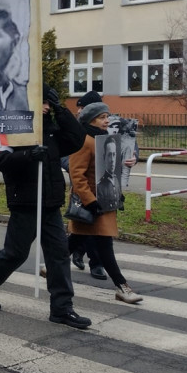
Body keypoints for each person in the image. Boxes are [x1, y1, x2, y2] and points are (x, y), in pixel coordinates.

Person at [0, 86, 93, 329]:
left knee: (58, 255)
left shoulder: (52, 131)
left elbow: (77, 138)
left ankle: (62, 308)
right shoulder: (14, 130)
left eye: (49, 103)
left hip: (50, 204)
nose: (46, 107)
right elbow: (0, 161)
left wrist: (61, 109)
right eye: (43, 103)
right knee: (15, 253)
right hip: (25, 202)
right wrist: (27, 156)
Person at [69, 102, 142, 304]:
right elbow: (77, 176)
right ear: (91, 119)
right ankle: (122, 287)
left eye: (107, 117)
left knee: (75, 240)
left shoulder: (104, 140)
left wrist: (117, 193)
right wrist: (90, 201)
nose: (107, 120)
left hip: (105, 200)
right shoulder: (83, 141)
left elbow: (110, 171)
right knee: (105, 245)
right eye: (102, 117)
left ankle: (51, 266)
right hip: (93, 203)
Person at [67, 90, 108, 278]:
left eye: (82, 108)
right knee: (90, 229)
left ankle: (67, 257)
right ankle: (114, 278)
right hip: (85, 192)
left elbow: (129, 147)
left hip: (105, 191)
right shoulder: (79, 132)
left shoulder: (108, 128)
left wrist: (132, 158)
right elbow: (68, 158)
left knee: (86, 232)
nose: (79, 112)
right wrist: (74, 166)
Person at [96, 136, 121, 211]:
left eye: (114, 154)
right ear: (104, 157)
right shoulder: (100, 186)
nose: (112, 160)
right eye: (109, 155)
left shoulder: (117, 181)